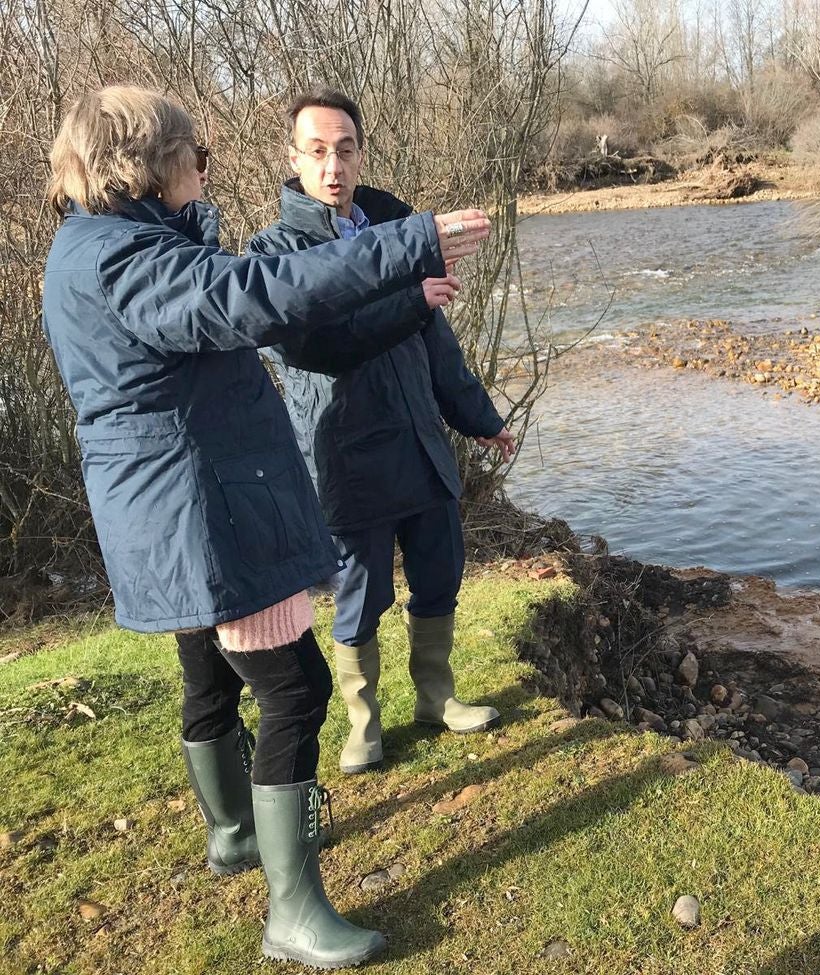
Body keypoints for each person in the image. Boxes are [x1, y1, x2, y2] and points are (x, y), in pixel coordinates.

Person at [41, 85, 489, 969]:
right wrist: (410, 244)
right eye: (192, 153)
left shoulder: (100, 245)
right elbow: (256, 294)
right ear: (148, 160)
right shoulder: (124, 258)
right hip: (206, 509)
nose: (201, 167)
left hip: (166, 512)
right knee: (293, 691)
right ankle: (292, 908)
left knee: (208, 676)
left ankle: (234, 836)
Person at [246, 87, 516, 776]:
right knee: (360, 593)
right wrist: (406, 299)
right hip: (346, 454)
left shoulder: (393, 228)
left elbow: (437, 346)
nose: (332, 166)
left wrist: (479, 419)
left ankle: (437, 697)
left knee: (440, 573)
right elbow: (315, 344)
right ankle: (364, 725)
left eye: (344, 149)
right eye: (316, 151)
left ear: (361, 153)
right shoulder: (272, 254)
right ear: (293, 158)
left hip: (420, 442)